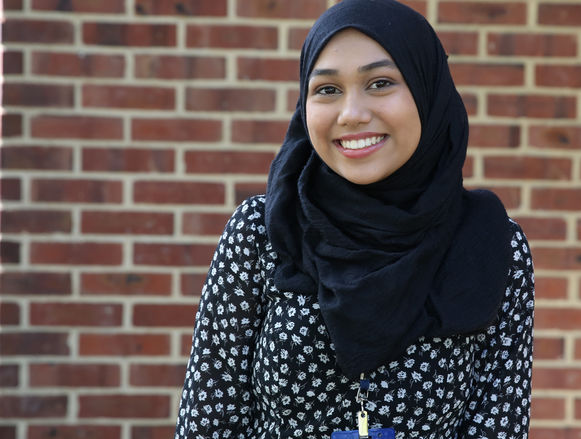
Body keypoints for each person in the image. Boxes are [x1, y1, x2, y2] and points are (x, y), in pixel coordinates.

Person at [174, 0, 534, 437]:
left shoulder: (492, 245)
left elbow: (497, 427)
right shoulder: (262, 231)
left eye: (380, 82)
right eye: (327, 89)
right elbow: (209, 425)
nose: (351, 114)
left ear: (427, 90)